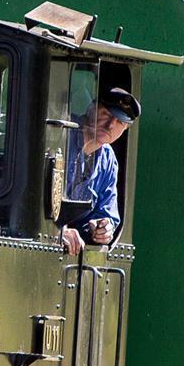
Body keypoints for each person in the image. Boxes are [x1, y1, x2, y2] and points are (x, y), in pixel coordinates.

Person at [63, 87, 140, 255]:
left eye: (120, 122)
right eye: (107, 114)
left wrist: (102, 228)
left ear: (125, 129)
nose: (111, 125)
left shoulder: (108, 160)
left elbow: (107, 213)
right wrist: (58, 232)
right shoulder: (61, 135)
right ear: (92, 108)